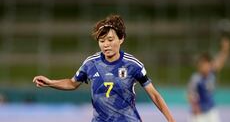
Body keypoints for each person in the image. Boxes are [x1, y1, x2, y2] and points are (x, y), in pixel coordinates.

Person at [33, 14, 175, 122]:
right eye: (102, 41)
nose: (105, 44)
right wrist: (50, 82)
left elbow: (154, 94)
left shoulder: (133, 64)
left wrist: (171, 120)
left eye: (110, 40)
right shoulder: (90, 63)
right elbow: (72, 83)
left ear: (121, 39)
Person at [187, 37, 230, 122]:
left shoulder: (212, 74)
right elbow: (190, 94)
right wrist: (195, 107)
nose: (204, 67)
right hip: (199, 113)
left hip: (211, 111)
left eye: (206, 64)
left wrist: (225, 49)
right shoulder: (196, 78)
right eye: (201, 65)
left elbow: (220, 61)